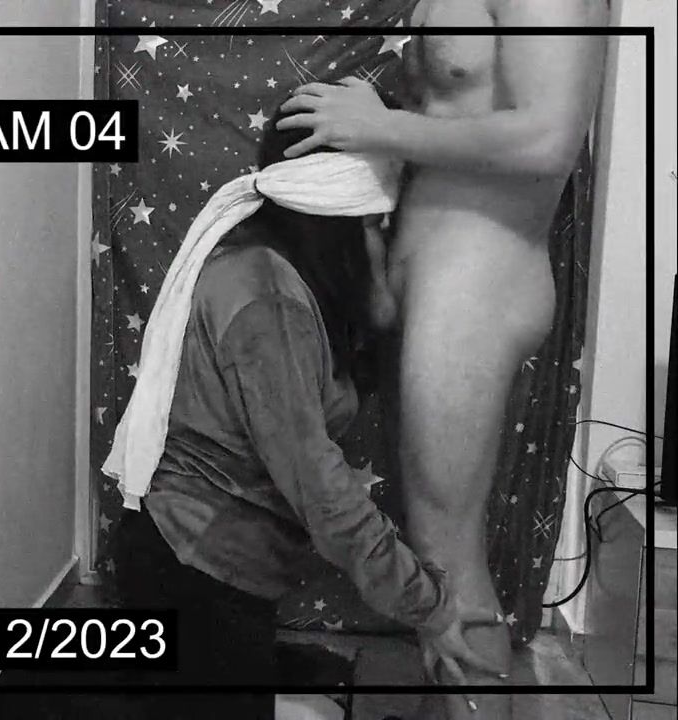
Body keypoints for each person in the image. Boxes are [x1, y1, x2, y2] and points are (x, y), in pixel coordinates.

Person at [94, 109, 503, 719]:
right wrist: (430, 606)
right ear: (337, 222)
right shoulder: (267, 300)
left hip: (219, 563)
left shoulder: (274, 274)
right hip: (192, 564)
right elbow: (321, 489)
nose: (386, 246)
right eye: (377, 226)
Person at [276, 2, 608, 718]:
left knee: (450, 563)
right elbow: (461, 114)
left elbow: (550, 139)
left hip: (475, 282)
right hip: (432, 277)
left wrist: (377, 127)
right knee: (431, 564)